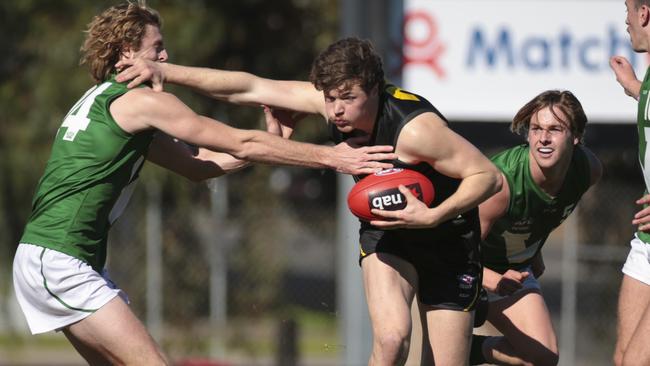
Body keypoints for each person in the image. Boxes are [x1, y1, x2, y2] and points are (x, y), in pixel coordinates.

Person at [12, 3, 398, 365]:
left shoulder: (104, 102)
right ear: (128, 52)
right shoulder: (142, 102)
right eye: (157, 48)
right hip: (60, 259)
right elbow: (237, 141)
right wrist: (332, 157)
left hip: (55, 259)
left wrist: (277, 144)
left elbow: (199, 166)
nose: (165, 58)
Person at [116, 37, 502, 365]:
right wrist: (167, 72)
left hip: (448, 240)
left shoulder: (416, 131)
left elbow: (488, 176)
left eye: (348, 98)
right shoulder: (332, 106)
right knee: (391, 342)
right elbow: (247, 88)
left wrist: (433, 215)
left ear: (375, 89)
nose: (335, 110)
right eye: (330, 98)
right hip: (389, 236)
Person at [450, 90, 601, 366]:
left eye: (555, 129)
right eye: (536, 129)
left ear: (576, 136)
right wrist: (491, 279)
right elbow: (454, 251)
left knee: (543, 357)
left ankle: (472, 348)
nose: (543, 138)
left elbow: (541, 212)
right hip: (461, 269)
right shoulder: (501, 185)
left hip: (513, 271)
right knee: (440, 356)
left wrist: (533, 250)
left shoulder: (588, 170)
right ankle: (453, 345)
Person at [609, 1, 650, 365]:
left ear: (644, 14)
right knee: (623, 358)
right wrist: (637, 89)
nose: (624, 20)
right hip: (647, 242)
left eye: (627, 8)